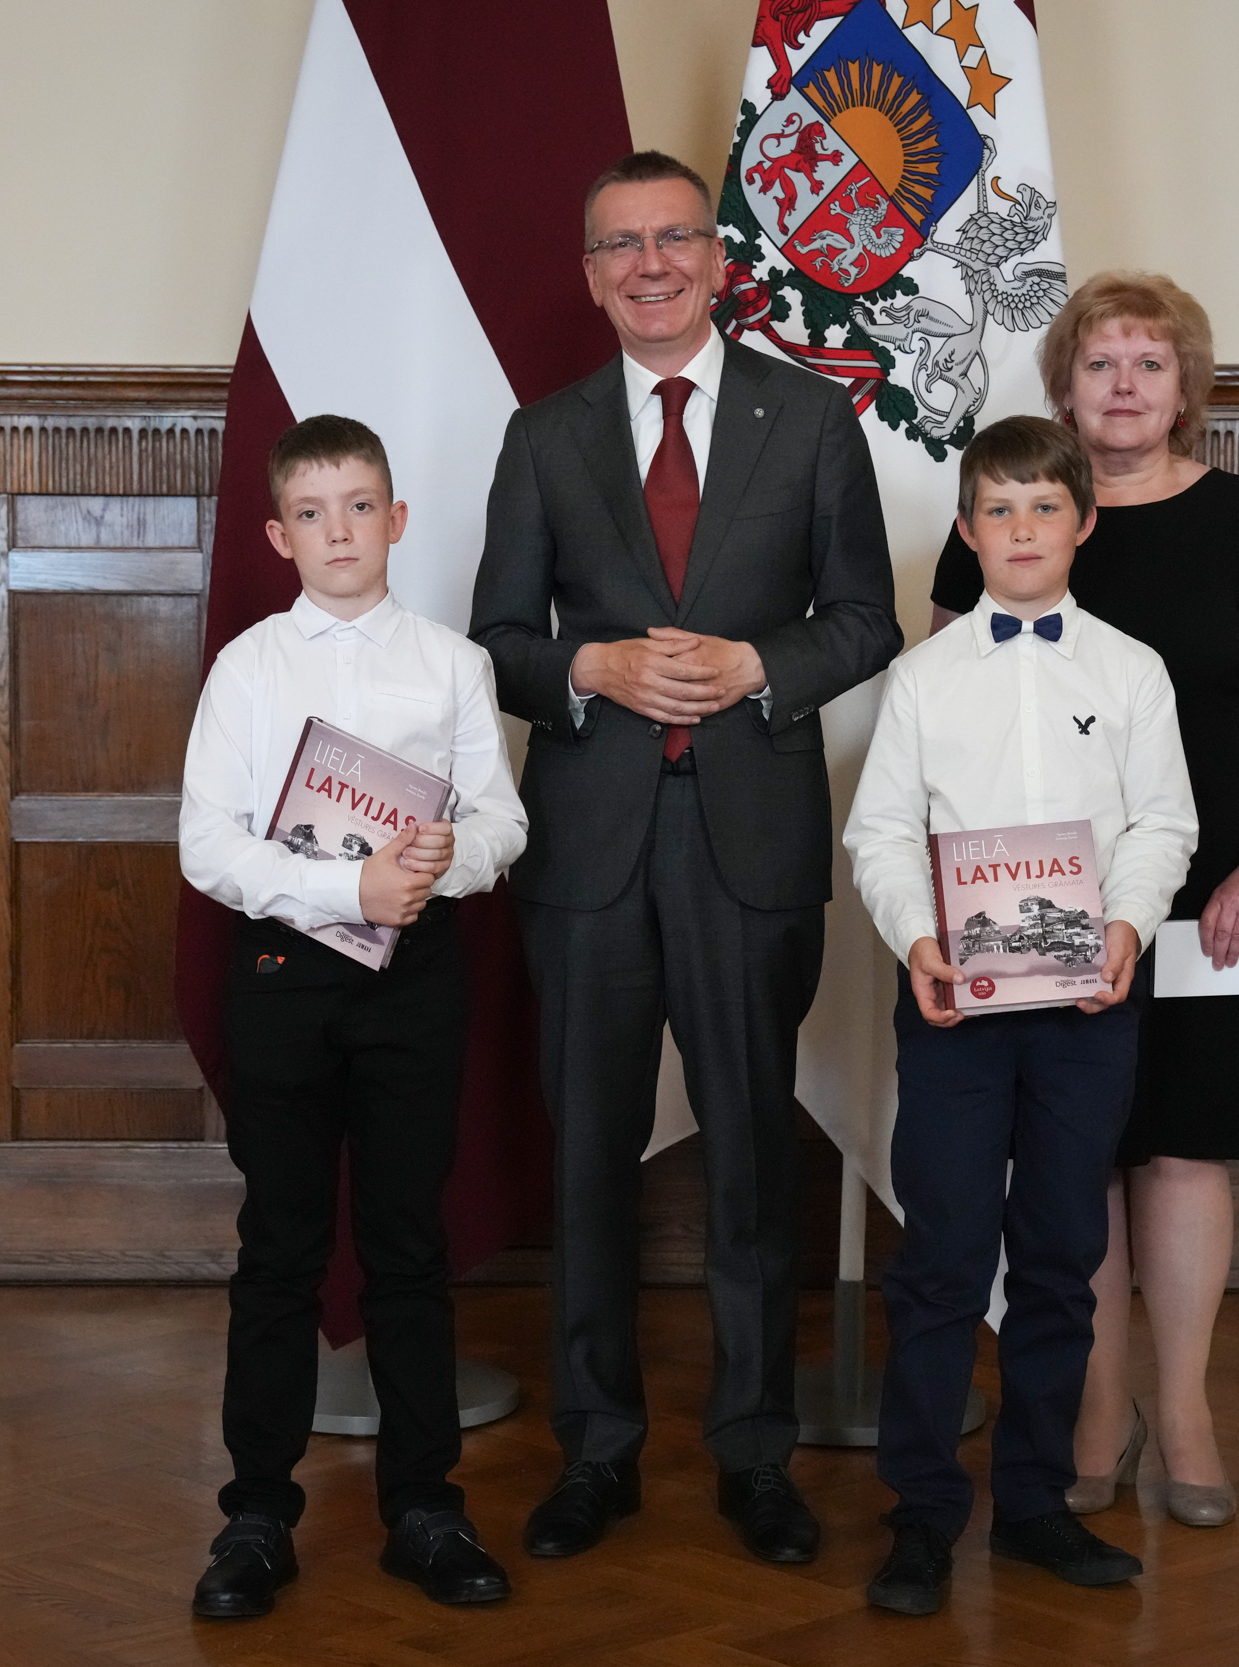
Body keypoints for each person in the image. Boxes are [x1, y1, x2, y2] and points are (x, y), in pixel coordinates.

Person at [468, 150, 900, 1565]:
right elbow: (497, 641)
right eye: (620, 245)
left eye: (673, 239)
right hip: (589, 850)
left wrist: (758, 666)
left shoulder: (812, 416)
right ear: (592, 275)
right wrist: (588, 664)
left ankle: (755, 1454)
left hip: (748, 841)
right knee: (588, 1160)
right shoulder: (544, 434)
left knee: (752, 1161)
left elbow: (865, 618)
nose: (648, 264)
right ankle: (596, 1451)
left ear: (719, 261)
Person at [929, 272, 1239, 1528]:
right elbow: (946, 705)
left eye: (1149, 363)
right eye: (1099, 362)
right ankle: (1093, 1410)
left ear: (1183, 387)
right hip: (1034, 894)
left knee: (1184, 1139)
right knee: (1073, 1149)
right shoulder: (1012, 510)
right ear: (1064, 386)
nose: (1123, 384)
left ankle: (1186, 1409)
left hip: (1205, 889)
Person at [844, 415, 1198, 1614]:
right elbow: (880, 832)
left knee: (1059, 1255)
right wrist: (919, 938)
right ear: (967, 530)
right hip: (955, 1009)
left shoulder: (1131, 669)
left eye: (1044, 506)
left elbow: (1163, 821)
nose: (1022, 528)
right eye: (998, 509)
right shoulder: (922, 678)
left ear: (1082, 523)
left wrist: (1128, 923)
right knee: (942, 1259)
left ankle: (1038, 1499)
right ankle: (921, 1513)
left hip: (1088, 1007)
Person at [177, 414, 529, 1618]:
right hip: (283, 973)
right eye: (312, 512)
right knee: (280, 1246)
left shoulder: (451, 664)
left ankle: (424, 1505)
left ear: (397, 519)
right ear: (279, 535)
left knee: (407, 1244)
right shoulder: (248, 668)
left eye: (361, 505)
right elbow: (207, 842)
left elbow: (502, 819)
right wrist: (346, 889)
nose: (340, 531)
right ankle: (256, 1515)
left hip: (412, 976)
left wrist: (441, 860)